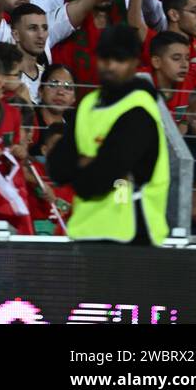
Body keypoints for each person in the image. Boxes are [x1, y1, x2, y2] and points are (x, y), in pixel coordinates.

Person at [47, 23, 170, 245]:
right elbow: (56, 167)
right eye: (104, 58)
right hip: (87, 231)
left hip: (133, 233)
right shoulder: (88, 104)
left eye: (119, 59)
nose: (110, 66)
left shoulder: (140, 109)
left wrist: (83, 169)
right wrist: (95, 166)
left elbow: (101, 177)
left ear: (135, 62)